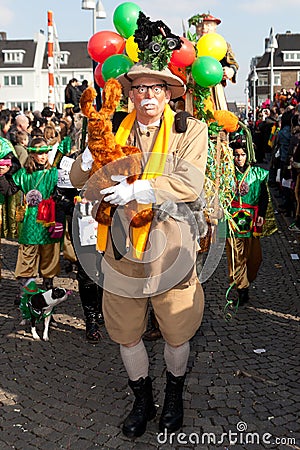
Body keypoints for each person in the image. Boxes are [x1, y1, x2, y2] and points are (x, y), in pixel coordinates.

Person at [70, 62, 208, 437]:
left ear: (168, 94)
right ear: (129, 94)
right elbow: (77, 178)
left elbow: (191, 182)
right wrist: (86, 160)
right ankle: (142, 399)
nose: (147, 96)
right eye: (140, 88)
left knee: (177, 330)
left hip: (171, 246)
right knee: (126, 330)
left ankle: (174, 395)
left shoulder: (190, 130)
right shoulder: (112, 127)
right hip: (120, 247)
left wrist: (140, 189)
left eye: (156, 89)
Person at [0, 137, 64, 303]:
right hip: (29, 224)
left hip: (48, 221)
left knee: (49, 260)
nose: (42, 156)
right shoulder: (23, 175)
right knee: (27, 259)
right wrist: (1, 175)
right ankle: (27, 295)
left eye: (45, 153)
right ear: (32, 155)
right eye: (39, 153)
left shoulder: (53, 173)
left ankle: (48, 295)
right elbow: (8, 191)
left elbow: (62, 195)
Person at [226, 137, 269, 306]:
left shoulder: (258, 174)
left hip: (252, 219)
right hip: (232, 219)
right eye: (236, 155)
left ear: (248, 155)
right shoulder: (226, 173)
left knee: (254, 257)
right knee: (236, 256)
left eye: (242, 154)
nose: (239, 158)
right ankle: (242, 288)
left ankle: (246, 280)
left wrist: (262, 214)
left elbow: (264, 196)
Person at [190, 13, 239, 110]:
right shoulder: (190, 45)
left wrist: (230, 71)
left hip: (214, 88)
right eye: (200, 25)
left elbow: (233, 63)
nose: (204, 28)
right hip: (192, 88)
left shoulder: (221, 44)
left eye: (208, 25)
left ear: (215, 27)